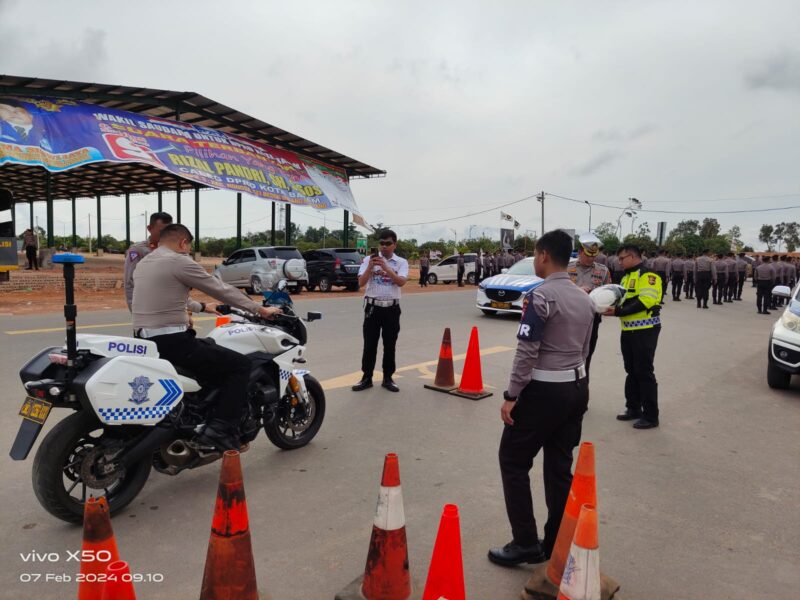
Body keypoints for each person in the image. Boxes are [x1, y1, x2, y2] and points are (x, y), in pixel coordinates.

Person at [488, 229, 595, 566]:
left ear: (544, 255)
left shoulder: (541, 296)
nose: (535, 260)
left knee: (513, 460)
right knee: (559, 467)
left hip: (545, 392)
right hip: (576, 388)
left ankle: (524, 543)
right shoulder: (583, 298)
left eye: (535, 254)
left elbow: (527, 351)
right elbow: (585, 348)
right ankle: (555, 542)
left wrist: (511, 395)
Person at [132, 224, 281, 451]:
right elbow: (221, 288)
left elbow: (166, 296)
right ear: (183, 243)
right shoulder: (179, 261)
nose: (188, 251)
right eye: (188, 247)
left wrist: (201, 306)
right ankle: (219, 430)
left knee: (210, 353)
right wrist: (260, 310)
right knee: (240, 366)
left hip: (145, 341)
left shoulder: (144, 263)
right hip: (173, 342)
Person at [604, 244, 662, 429]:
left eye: (621, 258)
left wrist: (619, 311)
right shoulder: (626, 277)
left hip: (645, 330)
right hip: (628, 330)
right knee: (631, 370)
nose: (619, 262)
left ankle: (651, 416)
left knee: (644, 372)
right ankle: (633, 408)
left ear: (632, 256)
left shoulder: (648, 276)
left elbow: (646, 300)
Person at [352, 229, 409, 393]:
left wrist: (386, 268)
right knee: (369, 344)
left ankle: (388, 378)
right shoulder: (368, 260)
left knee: (390, 345)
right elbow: (361, 283)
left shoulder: (401, 263)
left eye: (388, 244)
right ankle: (367, 377)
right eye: (382, 243)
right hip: (372, 307)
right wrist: (370, 267)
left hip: (392, 308)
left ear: (394, 245)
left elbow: (401, 282)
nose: (384, 247)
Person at [567, 232, 610, 372]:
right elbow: (559, 291)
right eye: (588, 254)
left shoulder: (603, 271)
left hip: (592, 320)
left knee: (587, 356)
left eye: (594, 255)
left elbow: (609, 294)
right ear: (580, 252)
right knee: (568, 355)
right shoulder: (567, 268)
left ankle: (583, 387)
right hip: (568, 318)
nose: (591, 258)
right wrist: (578, 291)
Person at [124, 212, 173, 311]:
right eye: (161, 231)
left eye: (169, 231)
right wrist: (136, 311)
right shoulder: (138, 250)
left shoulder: (174, 250)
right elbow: (130, 282)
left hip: (171, 308)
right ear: (149, 228)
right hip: (148, 307)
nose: (166, 235)